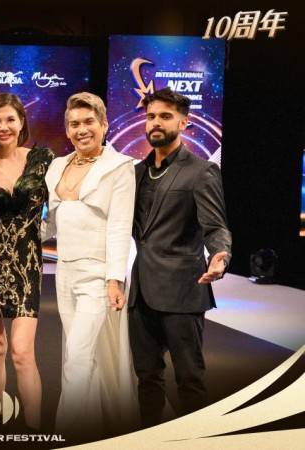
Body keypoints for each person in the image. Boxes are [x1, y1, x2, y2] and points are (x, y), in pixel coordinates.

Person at [128, 87, 232, 427]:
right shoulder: (136, 173)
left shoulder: (201, 171)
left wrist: (220, 255)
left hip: (183, 293)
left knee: (190, 379)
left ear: (184, 123)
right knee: (147, 378)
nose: (155, 123)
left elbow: (215, 226)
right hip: (141, 292)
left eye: (165, 116)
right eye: (151, 116)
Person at [43, 92, 138, 438]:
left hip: (98, 275)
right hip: (64, 273)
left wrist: (115, 279)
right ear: (67, 129)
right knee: (80, 355)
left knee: (79, 358)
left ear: (104, 124)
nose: (81, 129)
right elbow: (49, 225)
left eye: (88, 122)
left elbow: (120, 226)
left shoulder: (120, 167)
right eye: (74, 124)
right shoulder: (57, 166)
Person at [0, 93, 54, 429]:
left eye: (10, 120)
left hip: (26, 261)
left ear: (21, 123)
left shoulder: (43, 161)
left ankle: (34, 429)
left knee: (21, 351)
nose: (3, 127)